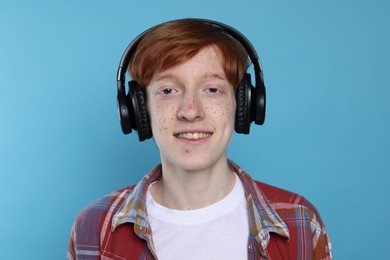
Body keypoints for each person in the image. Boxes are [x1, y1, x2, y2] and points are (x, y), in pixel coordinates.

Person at [67, 18, 332, 260]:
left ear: (243, 104)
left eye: (213, 89)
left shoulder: (299, 221)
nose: (190, 111)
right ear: (138, 110)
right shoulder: (95, 226)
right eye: (168, 90)